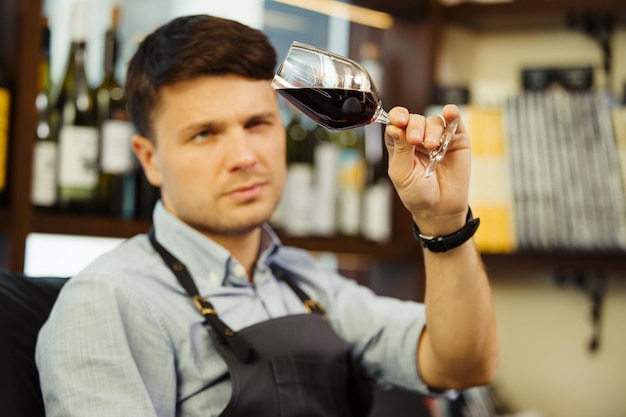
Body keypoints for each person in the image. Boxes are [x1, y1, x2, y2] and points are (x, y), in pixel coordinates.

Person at [36, 14, 498, 417]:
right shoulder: (109, 302)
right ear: (149, 158)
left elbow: (462, 364)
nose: (244, 156)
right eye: (205, 134)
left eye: (257, 124)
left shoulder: (304, 281)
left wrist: (444, 222)